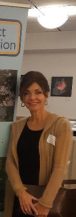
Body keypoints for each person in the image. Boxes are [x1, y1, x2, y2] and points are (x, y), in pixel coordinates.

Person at [4, 71, 72, 217]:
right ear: (22, 97)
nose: (32, 97)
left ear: (46, 94)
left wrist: (45, 204)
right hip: (20, 198)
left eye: (38, 92)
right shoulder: (16, 127)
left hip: (44, 201)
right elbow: (10, 162)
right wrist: (21, 192)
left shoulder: (61, 125)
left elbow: (59, 168)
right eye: (26, 93)